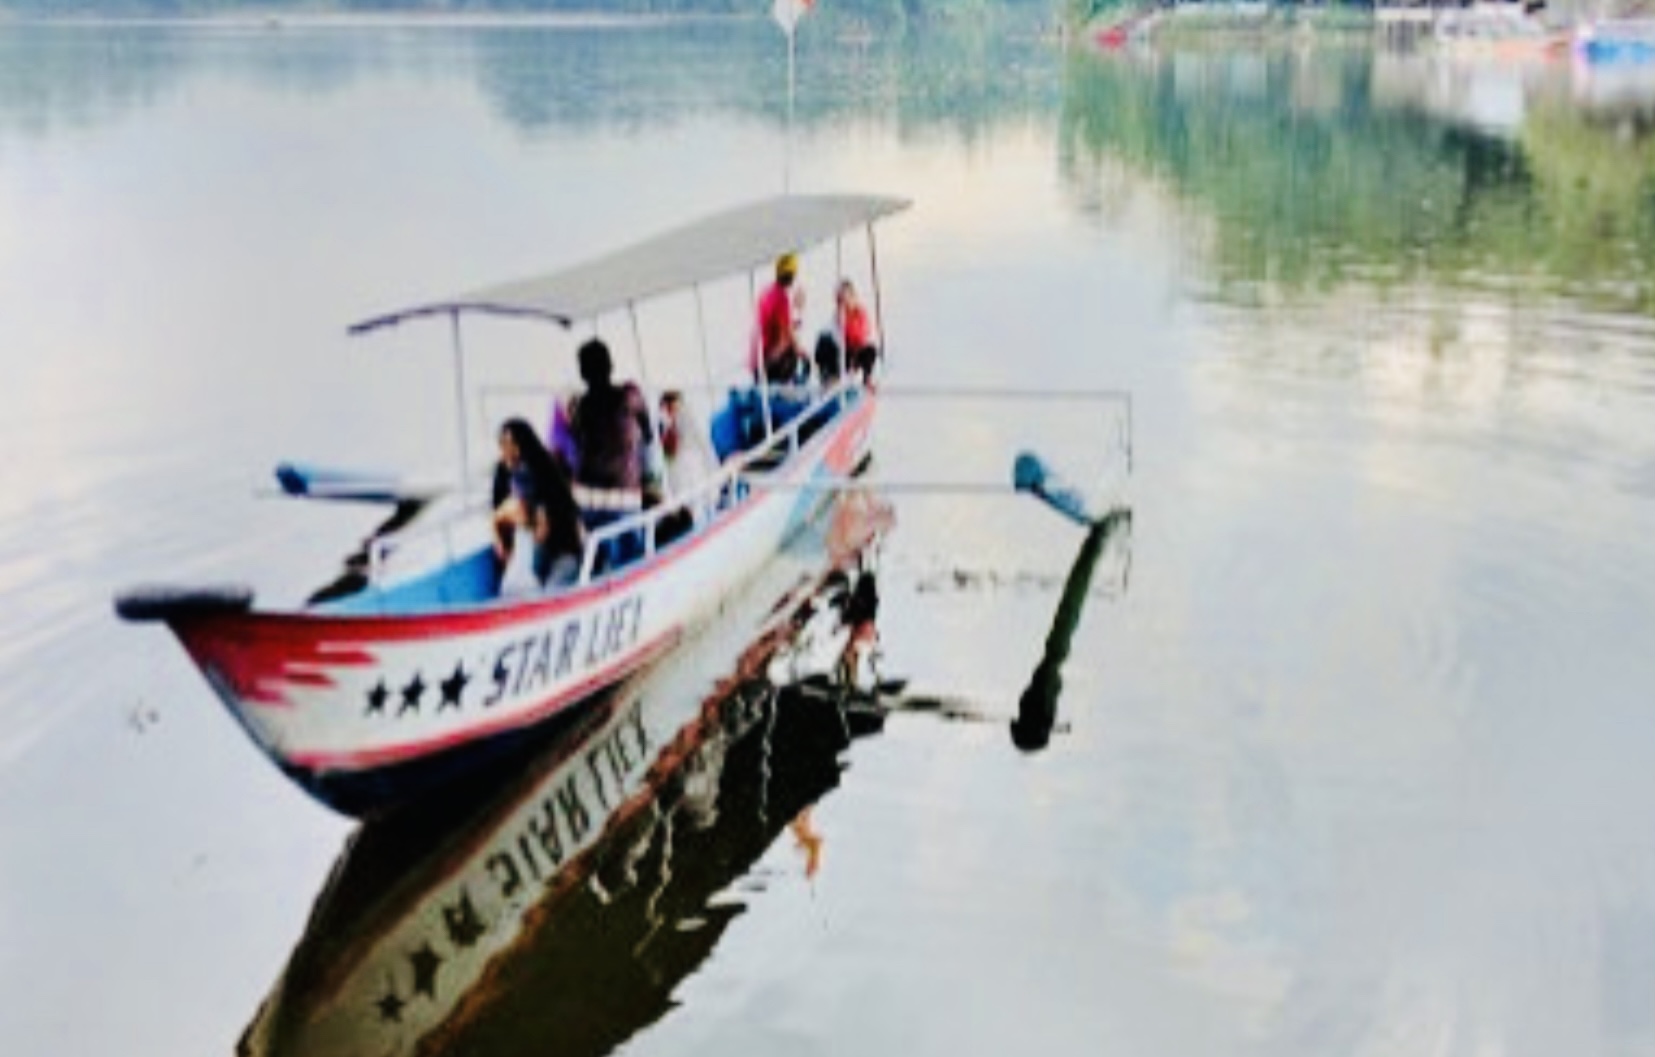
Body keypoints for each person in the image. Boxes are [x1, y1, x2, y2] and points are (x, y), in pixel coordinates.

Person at [566, 337, 655, 570]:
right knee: (630, 561)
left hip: (586, 497)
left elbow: (575, 443)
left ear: (583, 373)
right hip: (622, 495)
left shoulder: (578, 407)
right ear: (610, 365)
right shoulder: (629, 396)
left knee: (596, 560)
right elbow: (649, 434)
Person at [493, 418, 583, 590]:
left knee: (550, 587)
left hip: (560, 550)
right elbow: (499, 515)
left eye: (509, 444)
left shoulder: (543, 472)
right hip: (530, 545)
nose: (505, 450)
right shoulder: (503, 473)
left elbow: (547, 526)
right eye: (502, 444)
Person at [751, 252, 806, 385]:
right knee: (794, 353)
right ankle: (785, 387)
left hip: (757, 360)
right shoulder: (781, 298)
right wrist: (802, 352)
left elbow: (779, 326)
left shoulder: (767, 291)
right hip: (768, 364)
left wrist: (796, 314)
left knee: (792, 349)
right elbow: (785, 337)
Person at [817, 278, 879, 385]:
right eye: (838, 300)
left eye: (843, 299)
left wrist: (845, 325)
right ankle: (828, 376)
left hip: (856, 351)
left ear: (852, 297)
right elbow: (833, 335)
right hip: (841, 352)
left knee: (871, 350)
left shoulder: (860, 313)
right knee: (823, 340)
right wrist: (839, 323)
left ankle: (867, 378)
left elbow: (861, 335)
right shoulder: (837, 315)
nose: (841, 303)